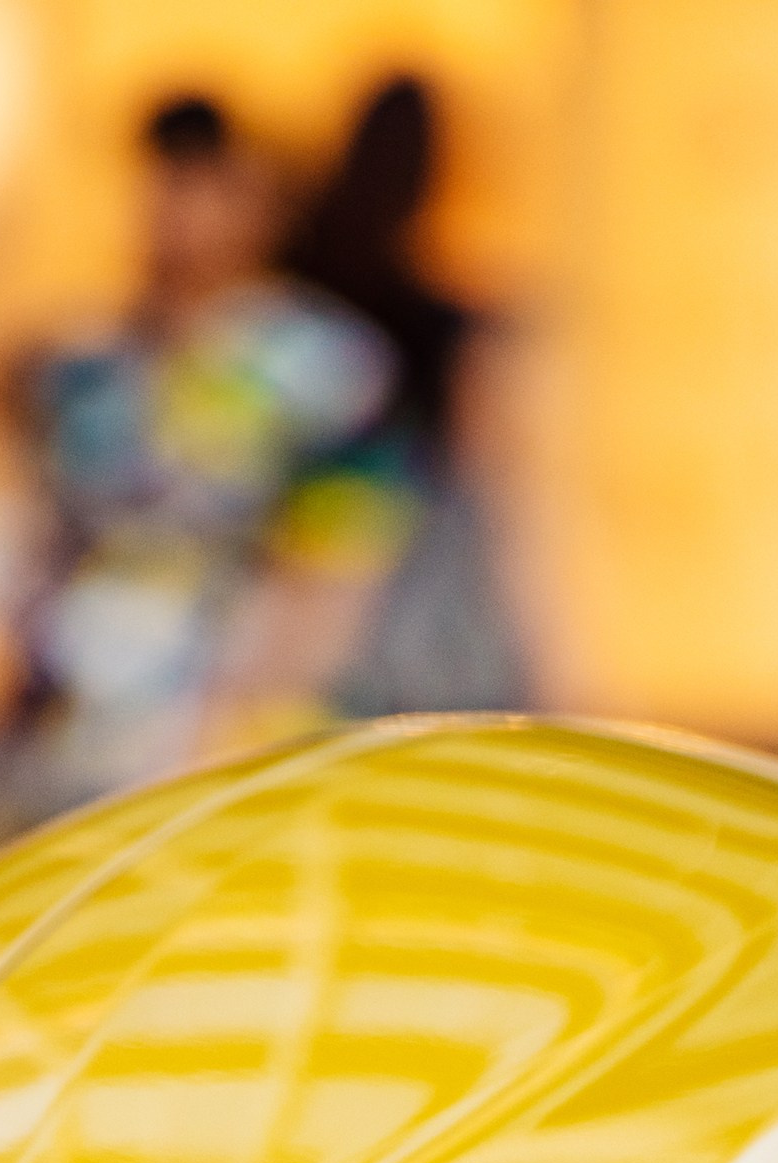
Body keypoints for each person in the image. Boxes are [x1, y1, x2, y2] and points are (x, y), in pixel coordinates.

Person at [0, 96, 407, 819]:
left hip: (254, 759)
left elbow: (338, 568)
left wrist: (234, 719)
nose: (173, 210)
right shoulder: (80, 370)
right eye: (161, 181)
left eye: (202, 183)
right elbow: (35, 552)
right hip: (80, 756)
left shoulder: (324, 370)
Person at [278, 75, 532, 720]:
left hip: (305, 592)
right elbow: (495, 488)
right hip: (416, 603)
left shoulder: (306, 288)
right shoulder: (451, 327)